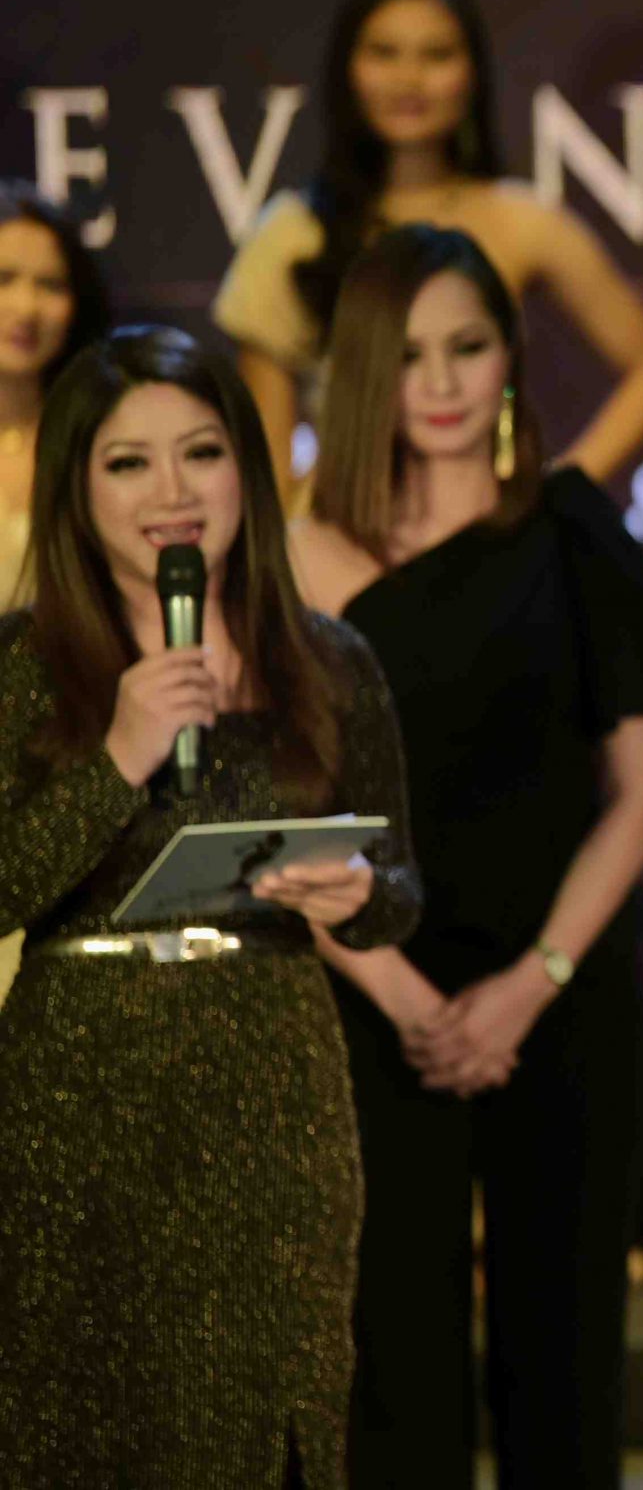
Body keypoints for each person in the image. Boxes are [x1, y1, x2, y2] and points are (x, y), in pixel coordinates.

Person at [289, 226, 643, 1488]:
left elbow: (639, 798)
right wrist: (408, 999)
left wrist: (533, 982)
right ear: (365, 370)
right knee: (393, 1372)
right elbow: (286, 819)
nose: (442, 381)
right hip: (375, 1002)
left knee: (563, 1369)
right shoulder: (300, 554)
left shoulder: (574, 529)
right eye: (410, 354)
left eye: (467, 347)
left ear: (509, 358)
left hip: (563, 996)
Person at [0, 326, 421, 1487]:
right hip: (77, 1087)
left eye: (201, 453)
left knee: (265, 1421)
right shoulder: (25, 665)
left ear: (247, 467)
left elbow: (398, 889)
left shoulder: (328, 661)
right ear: (77, 489)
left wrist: (356, 891)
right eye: (128, 463)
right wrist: (118, 758)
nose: (172, 493)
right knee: (82, 1426)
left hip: (273, 1082)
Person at [215, 0, 643, 489]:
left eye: (436, 54)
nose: (408, 79)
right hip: (345, 530)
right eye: (384, 53)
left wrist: (556, 500)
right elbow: (272, 467)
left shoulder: (520, 220)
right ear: (347, 68)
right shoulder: (292, 235)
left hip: (486, 526)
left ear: (473, 72)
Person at [0, 181, 114, 1013]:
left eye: (51, 283)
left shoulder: (103, 445)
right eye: (5, 278)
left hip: (67, 772)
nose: (27, 306)